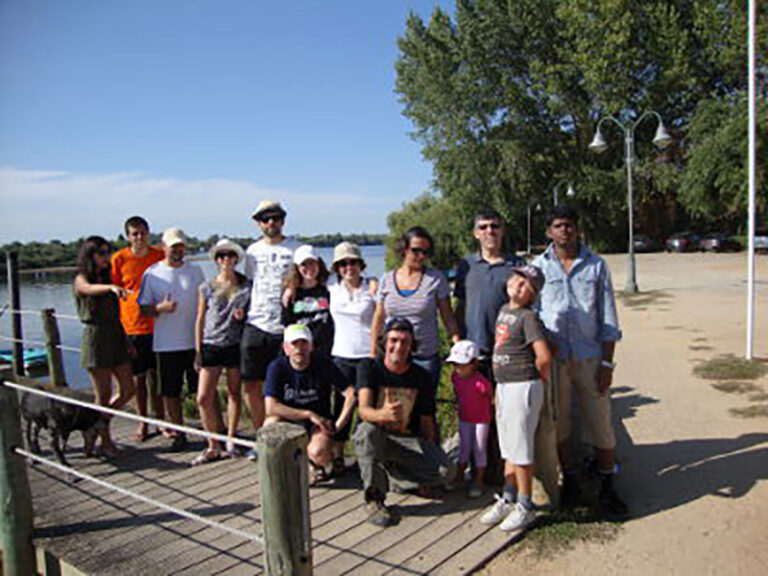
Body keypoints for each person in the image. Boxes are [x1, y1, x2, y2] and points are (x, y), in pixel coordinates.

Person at [532, 205, 627, 517]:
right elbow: (531, 315)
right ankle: (570, 481)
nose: (564, 230)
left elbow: (608, 316)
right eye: (558, 225)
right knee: (561, 425)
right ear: (549, 231)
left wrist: (607, 364)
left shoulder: (596, 265)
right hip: (556, 362)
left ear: (577, 229)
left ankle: (607, 484)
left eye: (570, 225)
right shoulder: (537, 268)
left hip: (589, 358)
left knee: (600, 421)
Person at [354, 318, 455, 527]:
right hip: (377, 437)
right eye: (394, 340)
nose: (398, 346)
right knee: (366, 432)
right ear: (384, 342)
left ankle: (397, 479)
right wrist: (383, 415)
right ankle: (374, 499)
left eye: (404, 342)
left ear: (412, 346)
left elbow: (427, 419)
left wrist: (432, 452)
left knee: (446, 472)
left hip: (406, 440)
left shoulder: (421, 376)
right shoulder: (369, 367)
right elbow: (363, 410)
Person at [481, 265, 551, 532]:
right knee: (508, 447)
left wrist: (539, 379)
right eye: (518, 280)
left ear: (532, 295)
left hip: (523, 384)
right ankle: (508, 497)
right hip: (505, 385)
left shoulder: (527, 317)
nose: (519, 287)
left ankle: (525, 504)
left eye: (527, 287)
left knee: (521, 449)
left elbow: (543, 355)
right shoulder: (504, 311)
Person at [371, 226, 460, 412]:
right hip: (393, 356)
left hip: (425, 356)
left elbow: (447, 316)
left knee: (424, 410)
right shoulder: (387, 280)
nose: (421, 256)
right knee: (394, 409)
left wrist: (457, 346)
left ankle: (428, 442)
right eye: (416, 250)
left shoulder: (435, 279)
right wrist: (373, 352)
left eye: (425, 252)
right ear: (404, 249)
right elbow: (378, 318)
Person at [138, 227, 204, 451]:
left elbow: (206, 303)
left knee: (201, 391)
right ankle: (179, 433)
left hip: (194, 342)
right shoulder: (153, 273)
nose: (177, 250)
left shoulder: (196, 271)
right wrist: (160, 308)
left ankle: (211, 432)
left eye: (181, 246)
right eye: (173, 246)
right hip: (167, 344)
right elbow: (143, 309)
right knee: (170, 391)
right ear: (163, 247)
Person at [263, 324, 356, 483]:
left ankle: (317, 461)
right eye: (294, 344)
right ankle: (293, 466)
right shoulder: (277, 367)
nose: (299, 349)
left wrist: (338, 426)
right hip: (290, 419)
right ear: (286, 348)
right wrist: (307, 414)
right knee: (269, 426)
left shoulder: (323, 364)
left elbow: (351, 394)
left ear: (311, 346)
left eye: (304, 343)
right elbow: (271, 407)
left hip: (319, 423)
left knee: (319, 452)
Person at [241, 200, 300, 451]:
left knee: (286, 385)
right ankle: (262, 436)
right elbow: (248, 284)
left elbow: (312, 277)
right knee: (251, 384)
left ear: (283, 220)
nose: (271, 223)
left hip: (285, 327)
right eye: (265, 219)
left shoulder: (296, 249)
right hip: (256, 323)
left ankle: (288, 438)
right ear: (258, 223)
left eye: (275, 218)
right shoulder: (252, 251)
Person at [74, 236, 136, 456]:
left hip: (116, 335)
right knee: (103, 394)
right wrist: (110, 287)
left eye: (107, 252)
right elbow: (86, 288)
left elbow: (116, 315)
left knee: (129, 389)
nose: (105, 257)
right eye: (101, 253)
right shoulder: (83, 278)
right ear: (90, 255)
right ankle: (106, 442)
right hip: (96, 338)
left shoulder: (108, 277)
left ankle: (96, 425)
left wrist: (127, 340)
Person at [191, 239, 251, 465]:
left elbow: (252, 313)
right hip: (211, 344)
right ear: (216, 260)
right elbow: (200, 318)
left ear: (236, 259)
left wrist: (242, 317)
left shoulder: (246, 286)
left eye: (230, 255)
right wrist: (197, 350)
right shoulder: (206, 287)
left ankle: (230, 440)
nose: (225, 260)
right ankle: (212, 444)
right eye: (221, 256)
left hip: (235, 345)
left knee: (235, 393)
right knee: (203, 397)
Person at [110, 215, 165, 442]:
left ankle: (162, 421)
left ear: (149, 232)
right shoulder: (119, 259)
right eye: (135, 233)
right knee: (138, 380)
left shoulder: (159, 255)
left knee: (159, 378)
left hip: (160, 325)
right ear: (128, 236)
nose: (140, 237)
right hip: (132, 327)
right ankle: (143, 422)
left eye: (143, 232)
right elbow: (113, 291)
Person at [454, 209, 525, 376]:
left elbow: (527, 308)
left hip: (508, 350)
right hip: (473, 352)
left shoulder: (517, 265)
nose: (489, 231)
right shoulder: (466, 265)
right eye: (483, 227)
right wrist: (457, 341)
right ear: (475, 233)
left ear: (502, 230)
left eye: (494, 226)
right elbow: (460, 305)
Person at [328, 241, 377, 475]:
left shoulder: (372, 288)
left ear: (361, 264)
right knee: (340, 408)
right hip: (341, 356)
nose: (349, 267)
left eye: (353, 262)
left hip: (367, 356)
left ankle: (362, 454)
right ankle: (337, 455)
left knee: (365, 409)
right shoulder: (331, 290)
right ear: (337, 267)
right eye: (343, 263)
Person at [446, 339, 493, 499]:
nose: (457, 368)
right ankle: (459, 476)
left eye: (461, 364)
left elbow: (492, 398)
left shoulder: (481, 383)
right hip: (464, 418)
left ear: (474, 363)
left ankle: (478, 481)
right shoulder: (456, 378)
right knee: (464, 448)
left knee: (479, 449)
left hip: (481, 419)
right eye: (455, 364)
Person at [281, 245, 334, 357]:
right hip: (302, 350)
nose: (309, 268)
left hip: (327, 347)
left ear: (319, 264)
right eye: (304, 264)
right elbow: (287, 325)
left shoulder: (329, 289)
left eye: (312, 263)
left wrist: (372, 281)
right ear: (297, 268)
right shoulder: (291, 294)